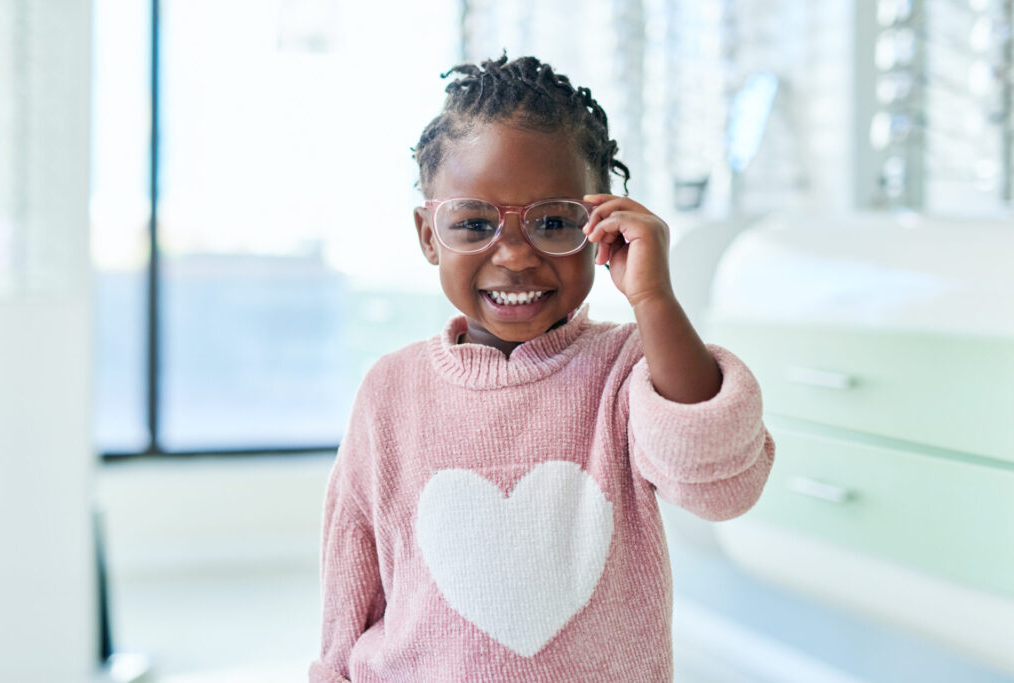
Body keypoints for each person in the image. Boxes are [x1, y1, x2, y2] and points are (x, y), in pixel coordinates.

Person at [309, 54, 774, 682]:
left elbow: (722, 485)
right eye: (473, 223)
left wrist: (654, 298)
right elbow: (351, 570)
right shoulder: (391, 389)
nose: (515, 256)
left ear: (600, 228)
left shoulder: (630, 369)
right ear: (428, 236)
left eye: (553, 223)